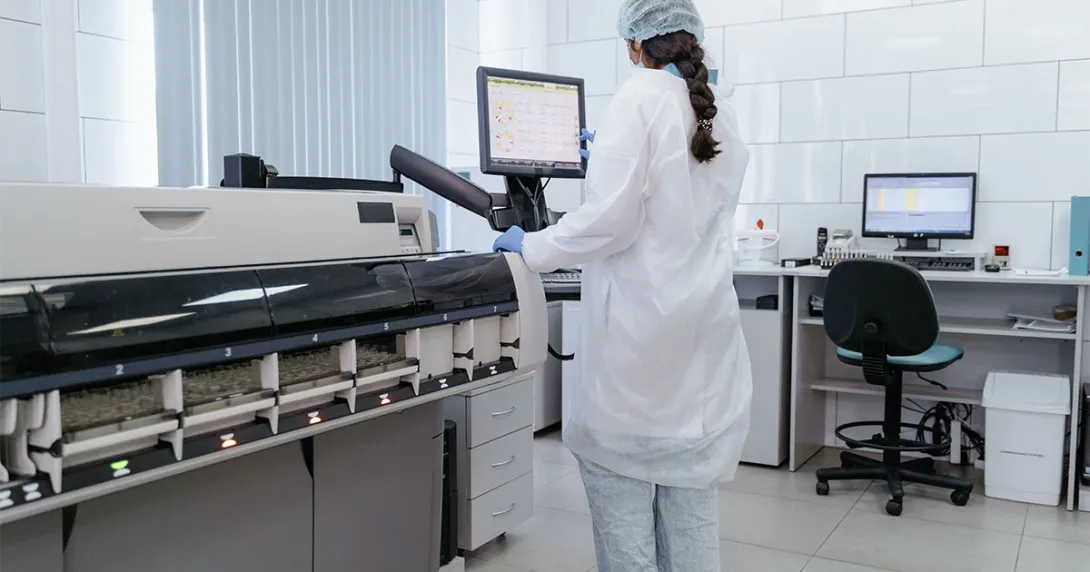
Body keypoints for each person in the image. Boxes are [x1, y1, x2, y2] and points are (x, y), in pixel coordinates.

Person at [492, 1, 752, 570]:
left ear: (636, 45)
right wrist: (607, 162)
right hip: (703, 348)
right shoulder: (718, 110)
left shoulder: (638, 97)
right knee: (691, 516)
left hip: (639, 354)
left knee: (624, 512)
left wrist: (530, 246)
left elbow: (611, 222)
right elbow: (672, 198)